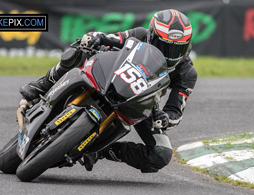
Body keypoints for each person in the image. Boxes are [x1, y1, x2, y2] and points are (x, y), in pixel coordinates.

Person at [19, 9, 197, 173]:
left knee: (162, 153)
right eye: (164, 45)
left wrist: (164, 119)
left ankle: (102, 150)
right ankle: (42, 84)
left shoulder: (186, 72)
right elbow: (111, 38)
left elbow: (175, 112)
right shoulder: (140, 35)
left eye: (177, 48)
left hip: (145, 104)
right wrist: (96, 39)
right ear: (152, 35)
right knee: (81, 47)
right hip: (111, 74)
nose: (170, 53)